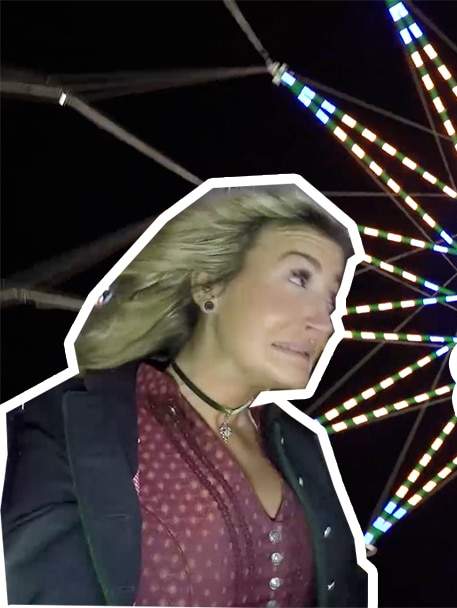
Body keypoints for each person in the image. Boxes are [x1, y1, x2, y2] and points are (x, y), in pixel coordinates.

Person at [2, 187, 369, 607]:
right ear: (208, 285)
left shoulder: (303, 451)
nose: (326, 323)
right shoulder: (72, 423)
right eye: (299, 278)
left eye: (331, 299)